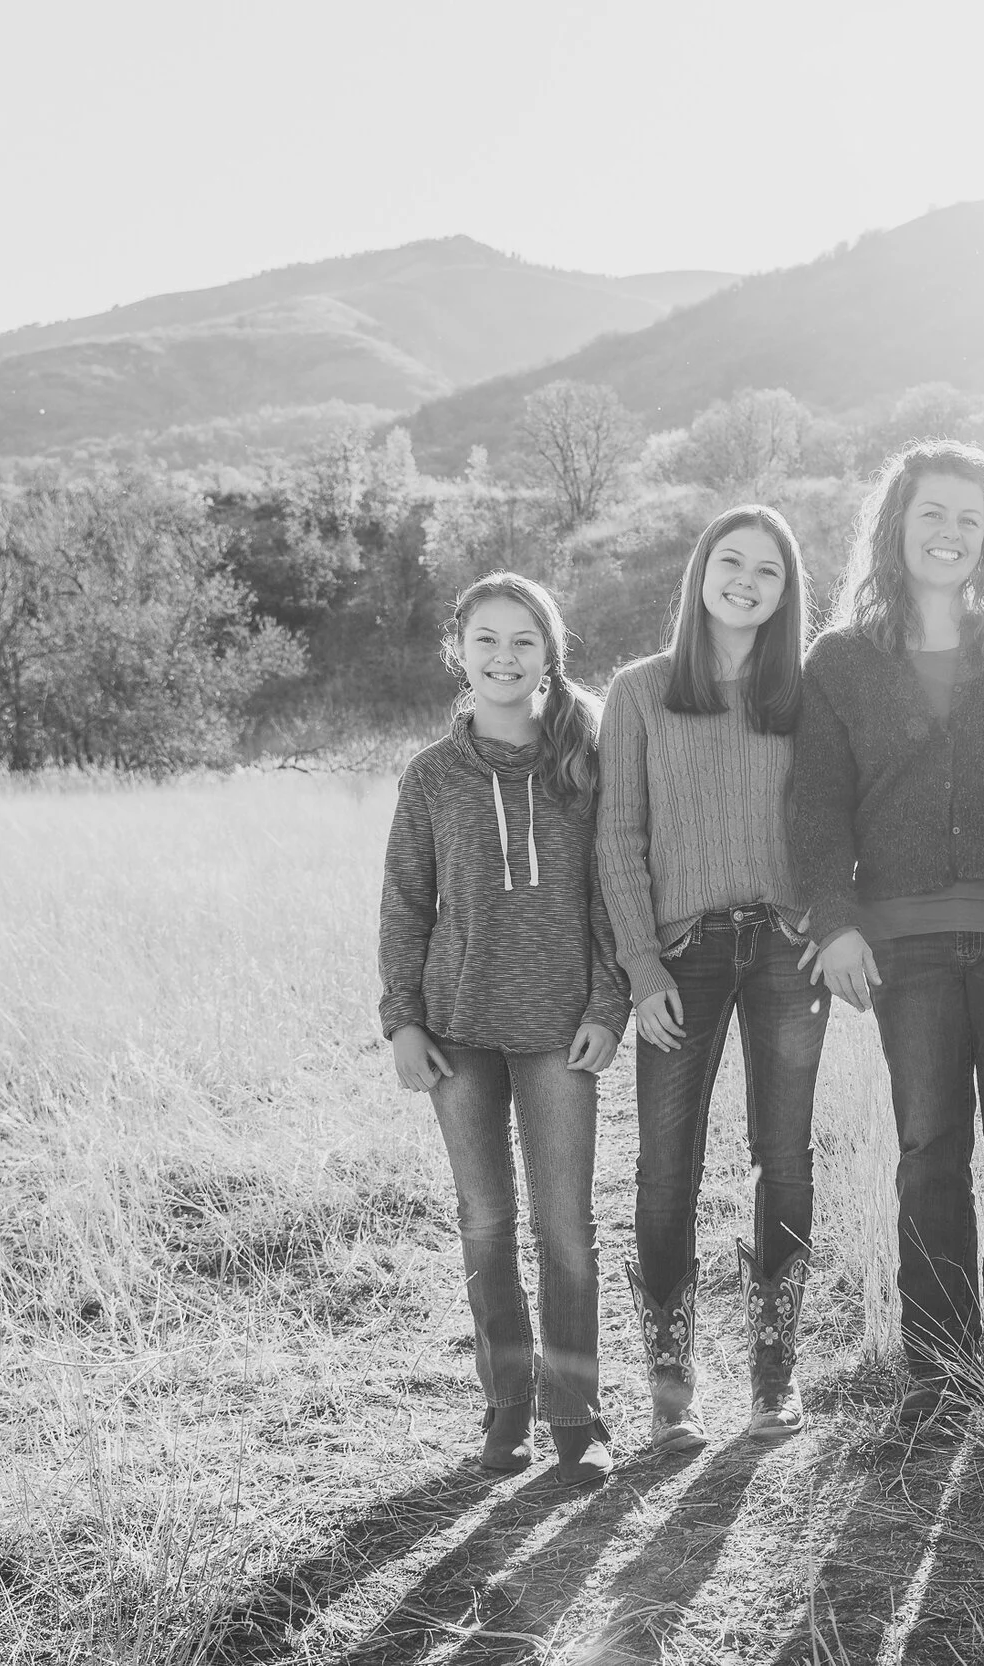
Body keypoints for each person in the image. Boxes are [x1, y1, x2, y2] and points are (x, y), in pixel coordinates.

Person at [790, 439, 984, 1423]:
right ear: (896, 527)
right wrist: (834, 924)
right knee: (928, 1144)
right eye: (932, 515)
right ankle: (941, 1365)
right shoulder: (840, 661)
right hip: (903, 941)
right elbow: (815, 807)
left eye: (969, 519)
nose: (951, 534)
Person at [379, 572, 629, 1486]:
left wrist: (608, 1008)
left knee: (566, 1227)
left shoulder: (585, 765)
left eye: (524, 640)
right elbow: (405, 905)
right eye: (486, 638)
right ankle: (507, 1406)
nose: (504, 657)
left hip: (561, 1029)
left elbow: (613, 896)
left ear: (549, 655)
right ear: (459, 650)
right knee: (486, 1220)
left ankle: (577, 1416)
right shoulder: (431, 777)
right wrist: (403, 1022)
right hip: (458, 1032)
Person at [597, 505, 828, 1452]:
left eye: (768, 570)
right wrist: (641, 966)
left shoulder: (807, 695)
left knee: (786, 1157)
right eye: (731, 561)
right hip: (681, 955)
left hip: (784, 947)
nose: (746, 581)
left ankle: (774, 1376)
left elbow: (836, 819)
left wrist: (828, 922)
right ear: (700, 573)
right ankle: (671, 1390)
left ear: (786, 592)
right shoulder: (641, 691)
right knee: (666, 1169)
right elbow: (618, 837)